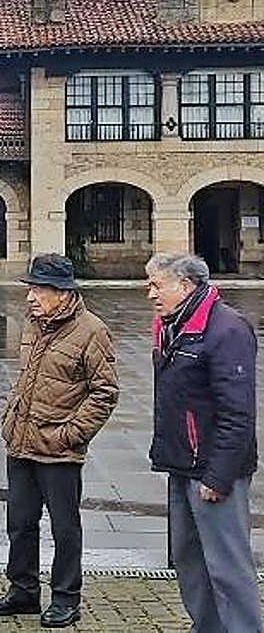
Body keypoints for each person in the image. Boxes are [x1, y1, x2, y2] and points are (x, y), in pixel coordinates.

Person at [0, 253, 119, 628]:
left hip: (59, 450)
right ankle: (23, 592)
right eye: (30, 288)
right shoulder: (34, 325)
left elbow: (104, 392)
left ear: (62, 293)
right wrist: (11, 416)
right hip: (22, 443)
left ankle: (66, 598)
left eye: (38, 289)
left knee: (64, 527)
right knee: (20, 522)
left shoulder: (91, 330)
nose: (30, 296)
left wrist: (71, 435)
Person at [145, 252, 260, 632]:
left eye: (156, 285)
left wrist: (219, 475)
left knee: (228, 567)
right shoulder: (172, 325)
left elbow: (237, 412)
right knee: (189, 560)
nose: (150, 293)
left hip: (213, 470)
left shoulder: (227, 329)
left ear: (186, 286)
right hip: (182, 463)